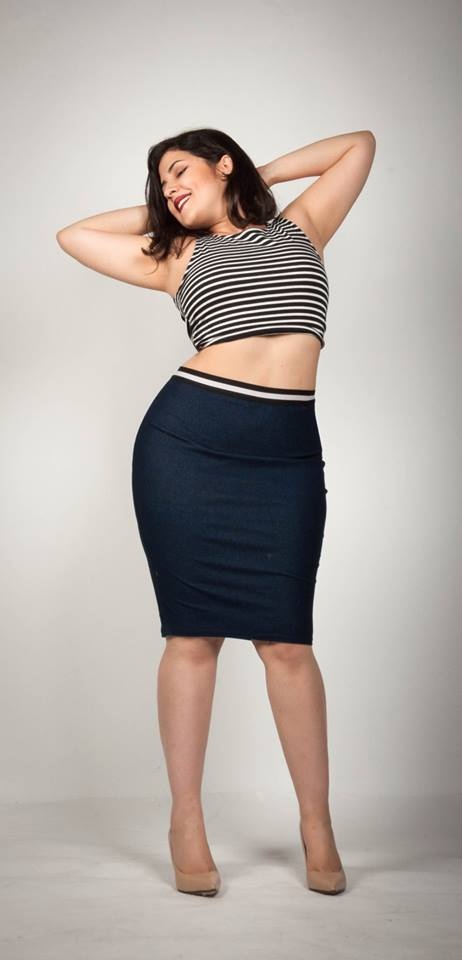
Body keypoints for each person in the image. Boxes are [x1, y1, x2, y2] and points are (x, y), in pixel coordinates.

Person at [56, 126, 376, 897]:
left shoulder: (302, 227)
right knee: (193, 634)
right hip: (188, 445)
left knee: (287, 642)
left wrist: (258, 176)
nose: (169, 187)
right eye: (159, 182)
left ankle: (316, 824)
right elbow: (74, 235)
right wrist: (166, 209)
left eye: (179, 170)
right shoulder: (175, 256)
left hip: (285, 459)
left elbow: (359, 146)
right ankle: (186, 821)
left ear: (223, 162)